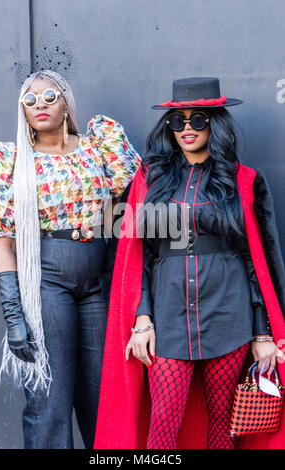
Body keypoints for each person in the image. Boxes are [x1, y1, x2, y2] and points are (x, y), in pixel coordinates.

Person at [94, 77, 285, 449]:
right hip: (167, 317)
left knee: (222, 424)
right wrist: (142, 318)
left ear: (216, 123)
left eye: (198, 120)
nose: (186, 129)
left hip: (230, 316)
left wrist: (263, 334)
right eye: (178, 121)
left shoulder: (243, 181)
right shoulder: (151, 179)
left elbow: (259, 261)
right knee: (162, 425)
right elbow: (140, 256)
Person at [0, 69, 141, 449]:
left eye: (50, 97)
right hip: (46, 281)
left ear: (67, 104)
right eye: (30, 99)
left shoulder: (97, 147)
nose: (40, 105)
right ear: (21, 109)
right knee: (50, 402)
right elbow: (4, 241)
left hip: (98, 281)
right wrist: (13, 314)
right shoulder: (10, 160)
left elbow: (132, 199)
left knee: (103, 400)